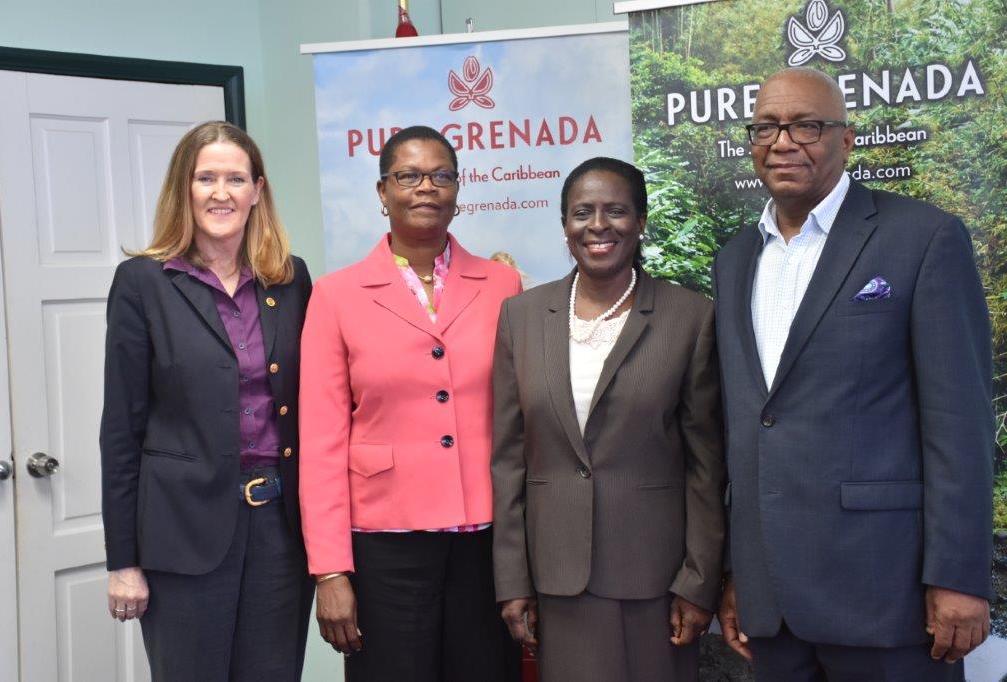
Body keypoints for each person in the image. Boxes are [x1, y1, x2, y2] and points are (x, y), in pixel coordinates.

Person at [713, 67, 993, 681]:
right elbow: (752, 425)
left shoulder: (923, 239)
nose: (783, 141)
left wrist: (958, 576)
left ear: (847, 138)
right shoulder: (735, 259)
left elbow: (960, 424)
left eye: (807, 126)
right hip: (773, 611)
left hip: (886, 598)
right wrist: (739, 573)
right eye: (766, 126)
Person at [299, 125, 522, 681]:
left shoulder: (503, 285)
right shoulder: (336, 295)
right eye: (409, 176)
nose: (426, 187)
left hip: (483, 542)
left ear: (457, 190)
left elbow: (522, 425)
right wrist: (329, 572)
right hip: (384, 548)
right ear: (382, 193)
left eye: (441, 176)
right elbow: (322, 441)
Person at [491, 157, 726, 682]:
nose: (598, 225)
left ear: (640, 222)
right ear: (565, 226)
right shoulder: (522, 316)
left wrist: (699, 579)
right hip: (557, 576)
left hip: (657, 579)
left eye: (616, 211)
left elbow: (706, 465)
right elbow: (508, 458)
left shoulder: (689, 316)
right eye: (582, 213)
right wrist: (512, 578)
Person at [100, 121, 314, 681]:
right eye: (206, 177)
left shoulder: (291, 281)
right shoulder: (142, 282)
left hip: (279, 535)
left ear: (257, 191)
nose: (221, 192)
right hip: (181, 536)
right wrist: (123, 561)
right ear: (184, 188)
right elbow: (121, 433)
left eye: (236, 178)